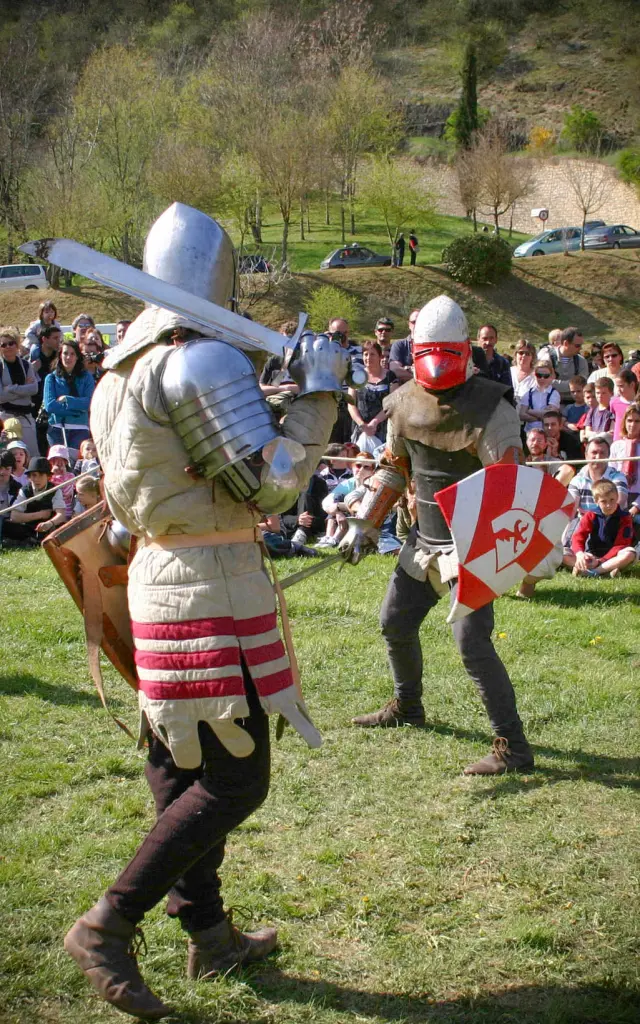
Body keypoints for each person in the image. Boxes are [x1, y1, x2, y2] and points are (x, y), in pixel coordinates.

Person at [62, 203, 351, 1019]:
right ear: (219, 280)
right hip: (209, 585)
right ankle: (108, 924)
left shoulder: (120, 369)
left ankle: (210, 934)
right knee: (235, 778)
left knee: (180, 763)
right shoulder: (200, 359)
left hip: (159, 576)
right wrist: (320, 395)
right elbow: (272, 485)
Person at [343, 295, 534, 776]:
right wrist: (367, 522)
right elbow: (395, 468)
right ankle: (408, 706)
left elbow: (509, 488)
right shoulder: (404, 401)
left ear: (464, 349)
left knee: (473, 644)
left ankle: (513, 747)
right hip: (424, 538)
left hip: (472, 545)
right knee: (395, 622)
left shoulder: (491, 408)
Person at [566, 479, 636, 578]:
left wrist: (601, 561)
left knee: (630, 553)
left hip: (614, 556)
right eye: (603, 501)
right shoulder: (590, 515)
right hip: (591, 555)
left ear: (617, 497)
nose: (609, 505)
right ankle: (607, 571)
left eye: (612, 500)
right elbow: (579, 536)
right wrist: (580, 554)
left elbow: (621, 544)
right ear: (596, 501)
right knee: (563, 553)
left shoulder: (625, 517)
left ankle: (592, 572)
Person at [43, 339, 95, 456]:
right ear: (60, 355)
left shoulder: (87, 377)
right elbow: (50, 406)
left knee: (77, 463)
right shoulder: (51, 378)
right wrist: (77, 411)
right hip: (56, 429)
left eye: (72, 354)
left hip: (80, 429)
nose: (68, 357)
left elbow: (90, 402)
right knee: (59, 464)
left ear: (77, 357)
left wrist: (68, 400)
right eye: (65, 353)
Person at [348, 341, 397, 452]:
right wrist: (362, 425)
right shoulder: (355, 376)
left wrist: (374, 423)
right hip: (361, 428)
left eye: (372, 354)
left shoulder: (391, 377)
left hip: (384, 429)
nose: (368, 357)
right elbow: (351, 404)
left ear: (380, 356)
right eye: (365, 354)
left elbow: (392, 404)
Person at [9, 455, 67, 543]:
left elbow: (61, 515)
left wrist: (49, 523)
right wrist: (40, 514)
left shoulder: (55, 490)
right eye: (33, 475)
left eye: (41, 475)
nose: (36, 479)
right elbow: (14, 516)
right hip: (29, 526)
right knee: (9, 526)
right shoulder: (24, 491)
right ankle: (31, 539)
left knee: (62, 526)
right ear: (29, 477)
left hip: (49, 526)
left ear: (48, 477)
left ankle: (42, 539)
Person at [0, 326, 38, 456]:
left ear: (17, 345)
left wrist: (11, 388)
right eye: (3, 345)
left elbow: (34, 389)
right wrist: (23, 389)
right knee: (6, 456)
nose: (8, 347)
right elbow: (1, 397)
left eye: (11, 343)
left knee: (32, 454)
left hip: (26, 417)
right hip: (6, 417)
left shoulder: (27, 365)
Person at [611, 404, 640, 524]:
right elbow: (611, 474)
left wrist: (637, 506)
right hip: (619, 495)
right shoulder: (616, 446)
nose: (632, 425)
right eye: (629, 420)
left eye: (637, 421)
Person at [519, 360, 560, 432]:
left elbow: (550, 414)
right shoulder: (528, 393)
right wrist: (540, 417)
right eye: (539, 375)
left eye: (546, 376)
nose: (542, 378)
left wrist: (529, 411)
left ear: (551, 376)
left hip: (548, 433)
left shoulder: (554, 393)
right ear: (534, 375)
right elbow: (522, 415)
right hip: (530, 432)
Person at [389, 310, 419, 383]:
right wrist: (418, 379)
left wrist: (407, 370)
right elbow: (395, 370)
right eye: (414, 322)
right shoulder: (399, 345)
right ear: (409, 324)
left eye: (420, 321)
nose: (417, 325)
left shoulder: (434, 345)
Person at [48, 444, 75, 519]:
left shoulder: (71, 476)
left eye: (61, 460)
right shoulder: (49, 477)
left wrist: (64, 475)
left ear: (65, 462)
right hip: (55, 512)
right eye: (55, 460)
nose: (59, 463)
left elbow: (67, 493)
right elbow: (51, 490)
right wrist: (53, 474)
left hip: (69, 511)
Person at [610, 369, 638, 441]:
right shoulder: (614, 402)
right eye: (617, 386)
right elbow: (613, 421)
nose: (618, 389)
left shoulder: (638, 404)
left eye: (621, 386)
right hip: (619, 442)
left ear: (632, 385)